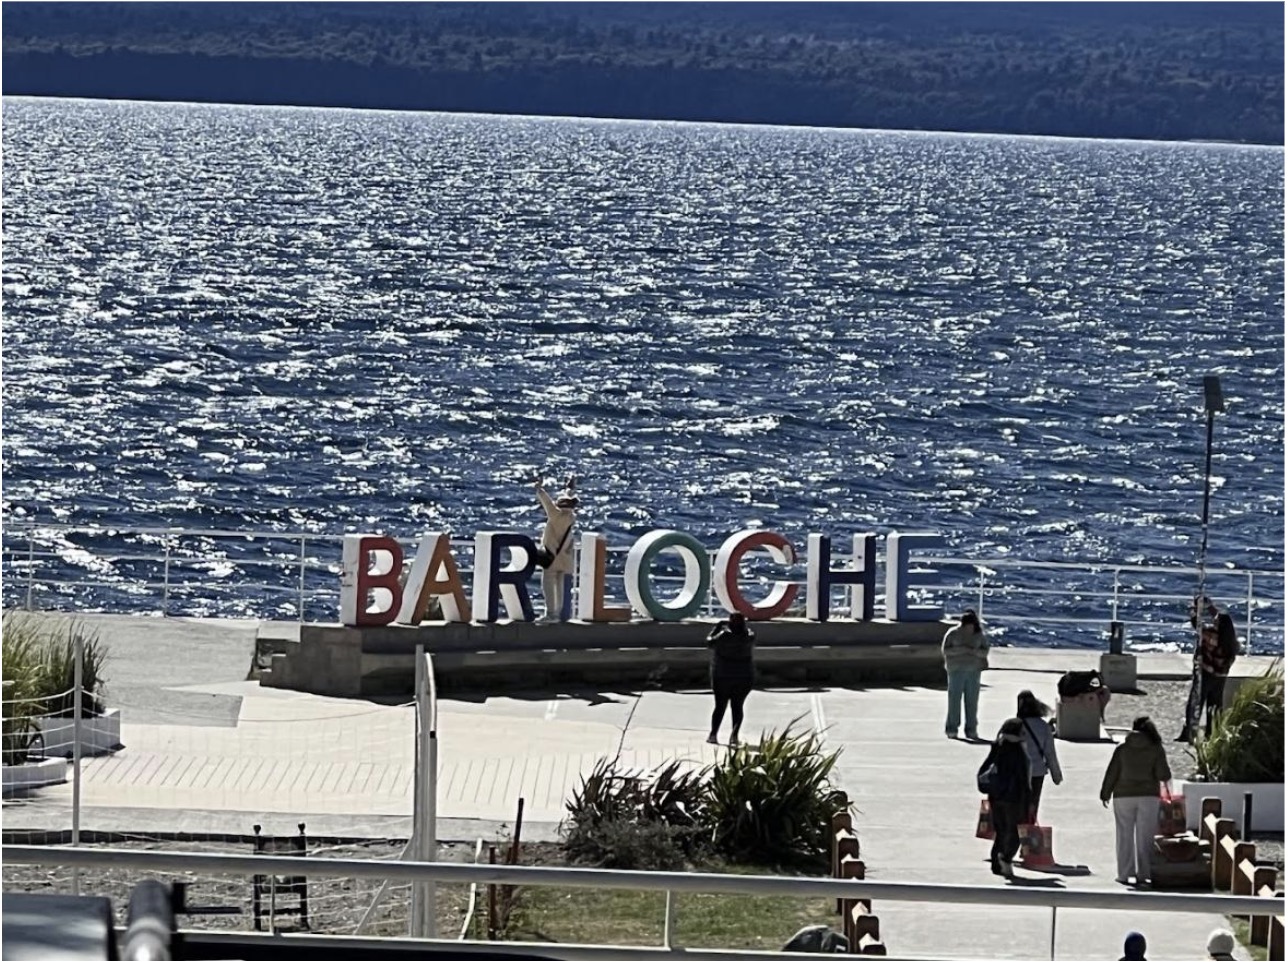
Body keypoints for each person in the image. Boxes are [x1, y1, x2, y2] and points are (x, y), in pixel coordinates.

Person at [1100, 716, 1172, 886]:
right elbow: (1164, 774)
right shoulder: (1155, 748)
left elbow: (1112, 772)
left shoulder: (1122, 748)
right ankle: (1144, 874)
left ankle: (1124, 874)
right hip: (1148, 796)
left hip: (1123, 795)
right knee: (1145, 836)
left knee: (1124, 835)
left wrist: (1105, 793)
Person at [977, 718, 1032, 879]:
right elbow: (1024, 778)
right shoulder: (1019, 751)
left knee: (1000, 831)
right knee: (1015, 832)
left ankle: (996, 863)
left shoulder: (998, 746)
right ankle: (1006, 858)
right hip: (1014, 798)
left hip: (996, 795)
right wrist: (1029, 800)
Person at [707, 611, 755, 745]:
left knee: (720, 706)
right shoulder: (749, 637)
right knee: (737, 706)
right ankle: (734, 736)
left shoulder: (724, 636)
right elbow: (750, 631)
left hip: (722, 675)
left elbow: (709, 642)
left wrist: (718, 627)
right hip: (744, 676)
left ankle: (713, 734)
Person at [534, 476, 578, 623]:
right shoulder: (571, 517)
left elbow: (546, 502)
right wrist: (570, 488)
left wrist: (539, 488)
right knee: (560, 587)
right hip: (565, 559)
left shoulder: (555, 516)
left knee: (548, 585)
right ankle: (557, 614)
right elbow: (569, 497)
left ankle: (551, 614)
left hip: (551, 557)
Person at [1016, 690, 1062, 823]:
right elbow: (1050, 753)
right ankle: (1029, 834)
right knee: (1032, 805)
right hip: (1037, 772)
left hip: (1017, 771)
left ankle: (1016, 831)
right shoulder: (1043, 726)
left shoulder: (1015, 725)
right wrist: (1056, 775)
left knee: (1017, 804)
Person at [942, 609, 989, 739]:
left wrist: (974, 652)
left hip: (973, 671)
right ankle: (952, 728)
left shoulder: (979, 635)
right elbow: (945, 650)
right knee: (954, 700)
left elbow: (985, 651)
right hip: (956, 670)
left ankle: (971, 728)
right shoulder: (952, 633)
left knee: (972, 701)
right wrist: (961, 650)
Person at [1198, 625, 1235, 737]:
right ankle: (1213, 732)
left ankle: (1191, 729)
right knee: (1216, 705)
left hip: (1209, 674)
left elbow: (1199, 628)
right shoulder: (1230, 643)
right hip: (1221, 676)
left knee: (1199, 702)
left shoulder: (1213, 637)